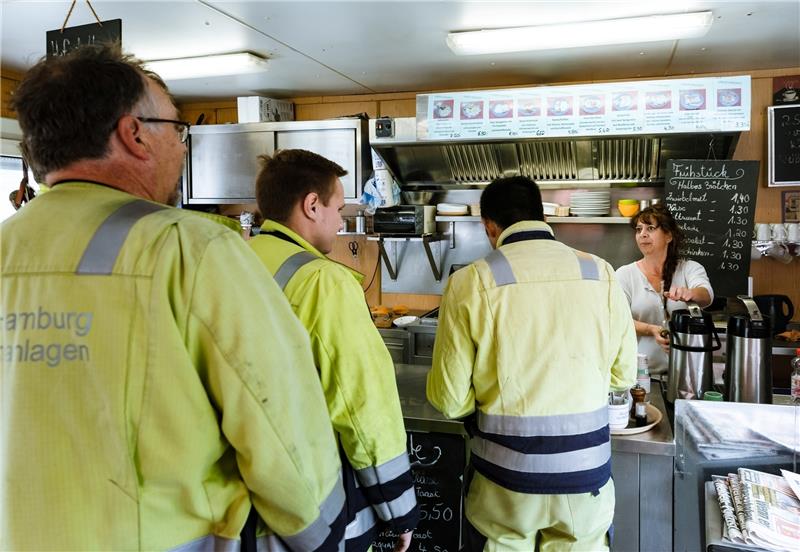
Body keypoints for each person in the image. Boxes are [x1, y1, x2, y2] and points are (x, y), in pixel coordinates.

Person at [1, 45, 346, 551]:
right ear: (134, 134)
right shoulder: (191, 248)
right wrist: (321, 533)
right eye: (177, 130)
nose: (182, 149)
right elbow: (279, 426)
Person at [426, 175, 637, 551]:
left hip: (505, 486)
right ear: (542, 216)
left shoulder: (470, 281)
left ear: (490, 227)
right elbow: (624, 376)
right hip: (585, 481)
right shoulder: (600, 272)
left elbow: (449, 399)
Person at [248, 149, 419, 552]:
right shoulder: (322, 281)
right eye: (338, 208)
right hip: (312, 505)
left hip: (244, 504)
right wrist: (399, 509)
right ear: (311, 205)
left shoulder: (235, 260)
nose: (341, 221)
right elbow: (362, 402)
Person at [615, 204, 714, 376]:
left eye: (651, 228)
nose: (643, 234)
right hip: (640, 374)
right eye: (639, 230)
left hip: (688, 372)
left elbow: (706, 295)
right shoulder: (625, 275)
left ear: (668, 235)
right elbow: (618, 320)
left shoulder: (689, 268)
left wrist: (690, 294)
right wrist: (651, 329)